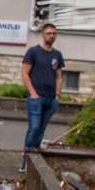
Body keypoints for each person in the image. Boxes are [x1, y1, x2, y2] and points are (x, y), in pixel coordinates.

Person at [22, 23, 64, 152]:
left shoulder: (57, 55)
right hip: (36, 98)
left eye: (54, 34)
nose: (51, 36)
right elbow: (24, 74)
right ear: (43, 35)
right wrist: (33, 93)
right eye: (49, 33)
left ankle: (36, 152)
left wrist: (57, 95)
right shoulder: (33, 52)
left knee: (42, 127)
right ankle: (27, 154)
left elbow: (58, 76)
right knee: (34, 127)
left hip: (51, 98)